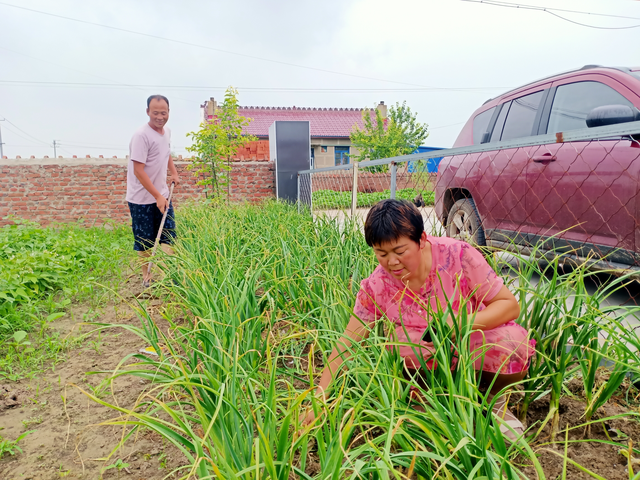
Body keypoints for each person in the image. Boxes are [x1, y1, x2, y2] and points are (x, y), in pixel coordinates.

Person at [303, 199, 535, 440]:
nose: (391, 262)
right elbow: (347, 343)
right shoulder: (378, 285)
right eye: (381, 253)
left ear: (422, 240)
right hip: (424, 368)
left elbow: (509, 306)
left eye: (400, 251)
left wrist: (460, 324)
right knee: (404, 344)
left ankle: (493, 402)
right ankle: (427, 403)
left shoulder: (458, 256)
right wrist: (320, 397)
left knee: (512, 343)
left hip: (469, 346)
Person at [126, 95, 180, 287]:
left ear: (168, 112)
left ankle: (172, 275)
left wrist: (173, 173)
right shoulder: (141, 136)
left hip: (162, 195)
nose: (160, 117)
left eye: (163, 113)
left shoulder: (167, 132)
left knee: (168, 235)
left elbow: (166, 154)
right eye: (155, 112)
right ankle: (146, 276)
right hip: (141, 199)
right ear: (148, 112)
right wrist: (156, 195)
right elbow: (138, 171)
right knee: (145, 240)